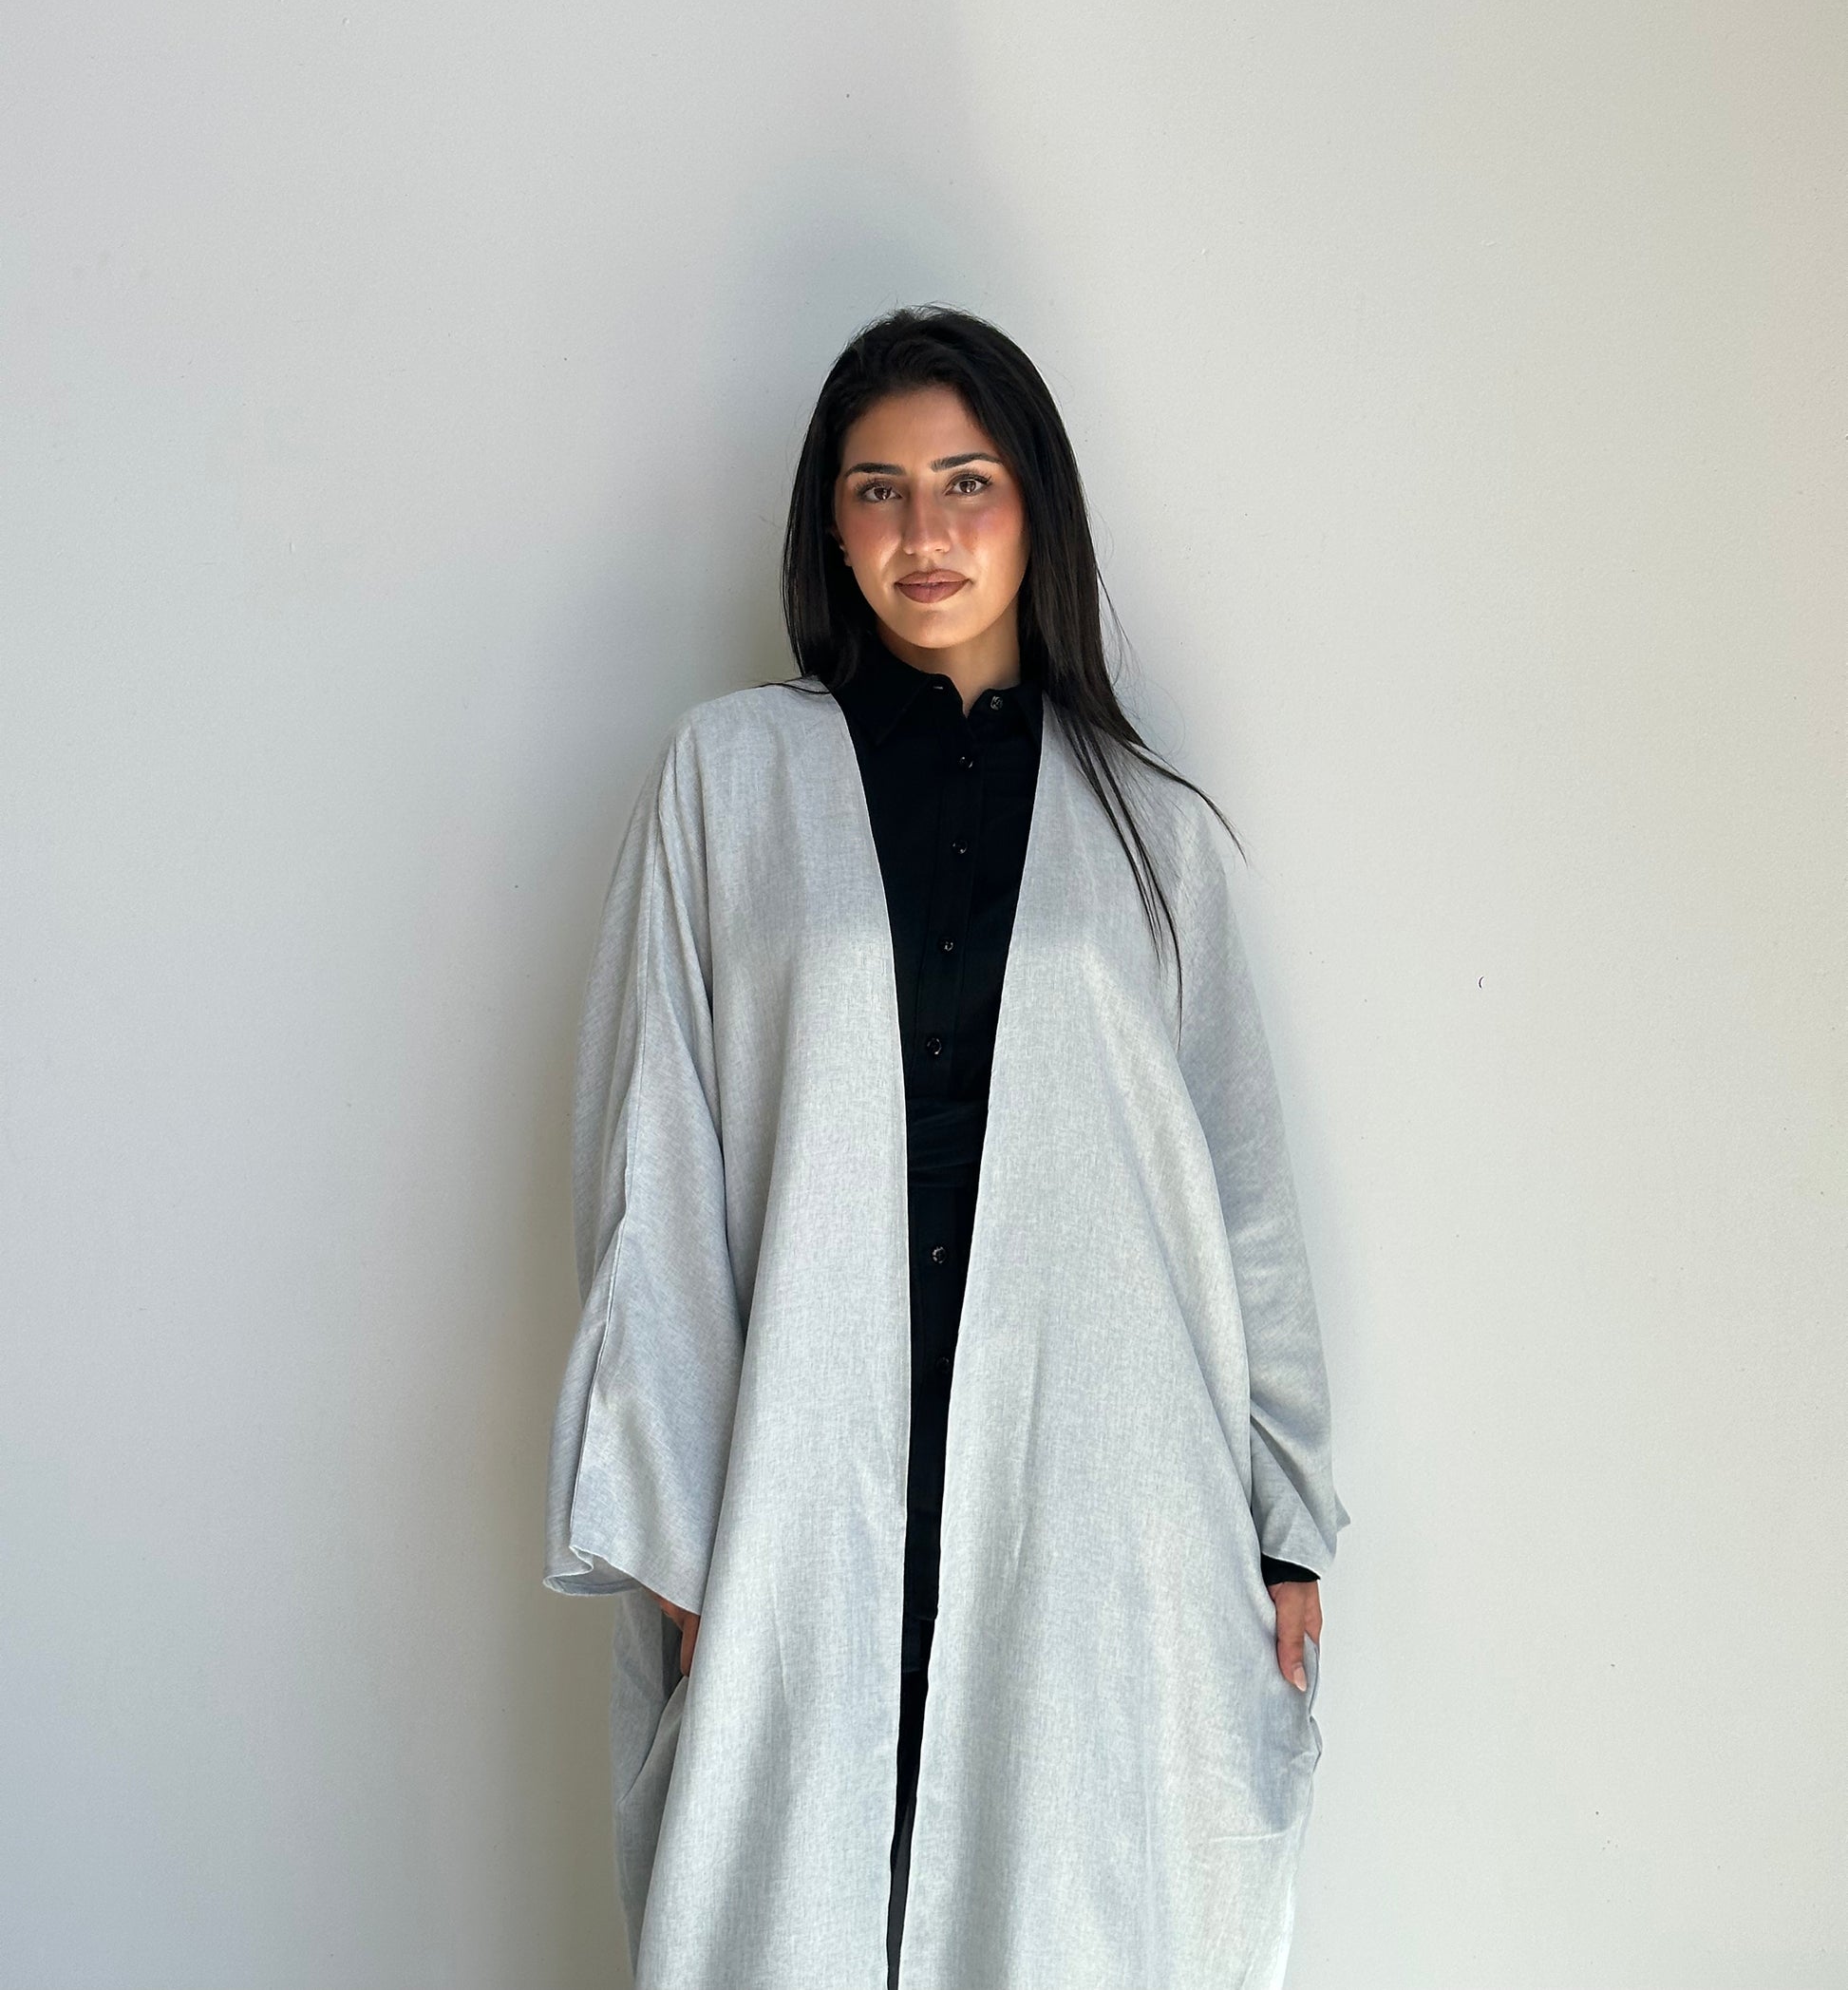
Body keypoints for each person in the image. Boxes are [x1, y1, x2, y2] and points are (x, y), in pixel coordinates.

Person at [545, 307, 1349, 1990]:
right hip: (806, 1452)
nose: (924, 532)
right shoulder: (730, 781)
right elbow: (649, 1155)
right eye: (878, 489)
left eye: (966, 482)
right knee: (789, 1886)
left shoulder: (1152, 836)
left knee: (1068, 1887)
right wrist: (676, 1527)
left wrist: (1280, 1519)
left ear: (1034, 507)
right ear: (829, 528)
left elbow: (1241, 1191)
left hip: (1091, 1467)